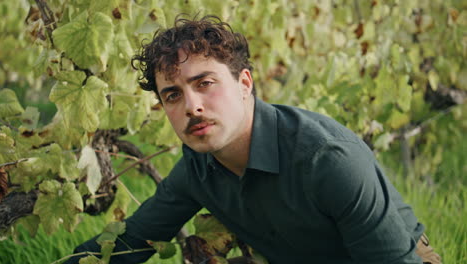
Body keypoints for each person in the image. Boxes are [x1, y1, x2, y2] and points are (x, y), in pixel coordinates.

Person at [66, 15, 441, 264]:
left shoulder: (328, 161)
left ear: (245, 84)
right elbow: (129, 242)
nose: (192, 106)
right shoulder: (198, 168)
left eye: (204, 84)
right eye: (173, 95)